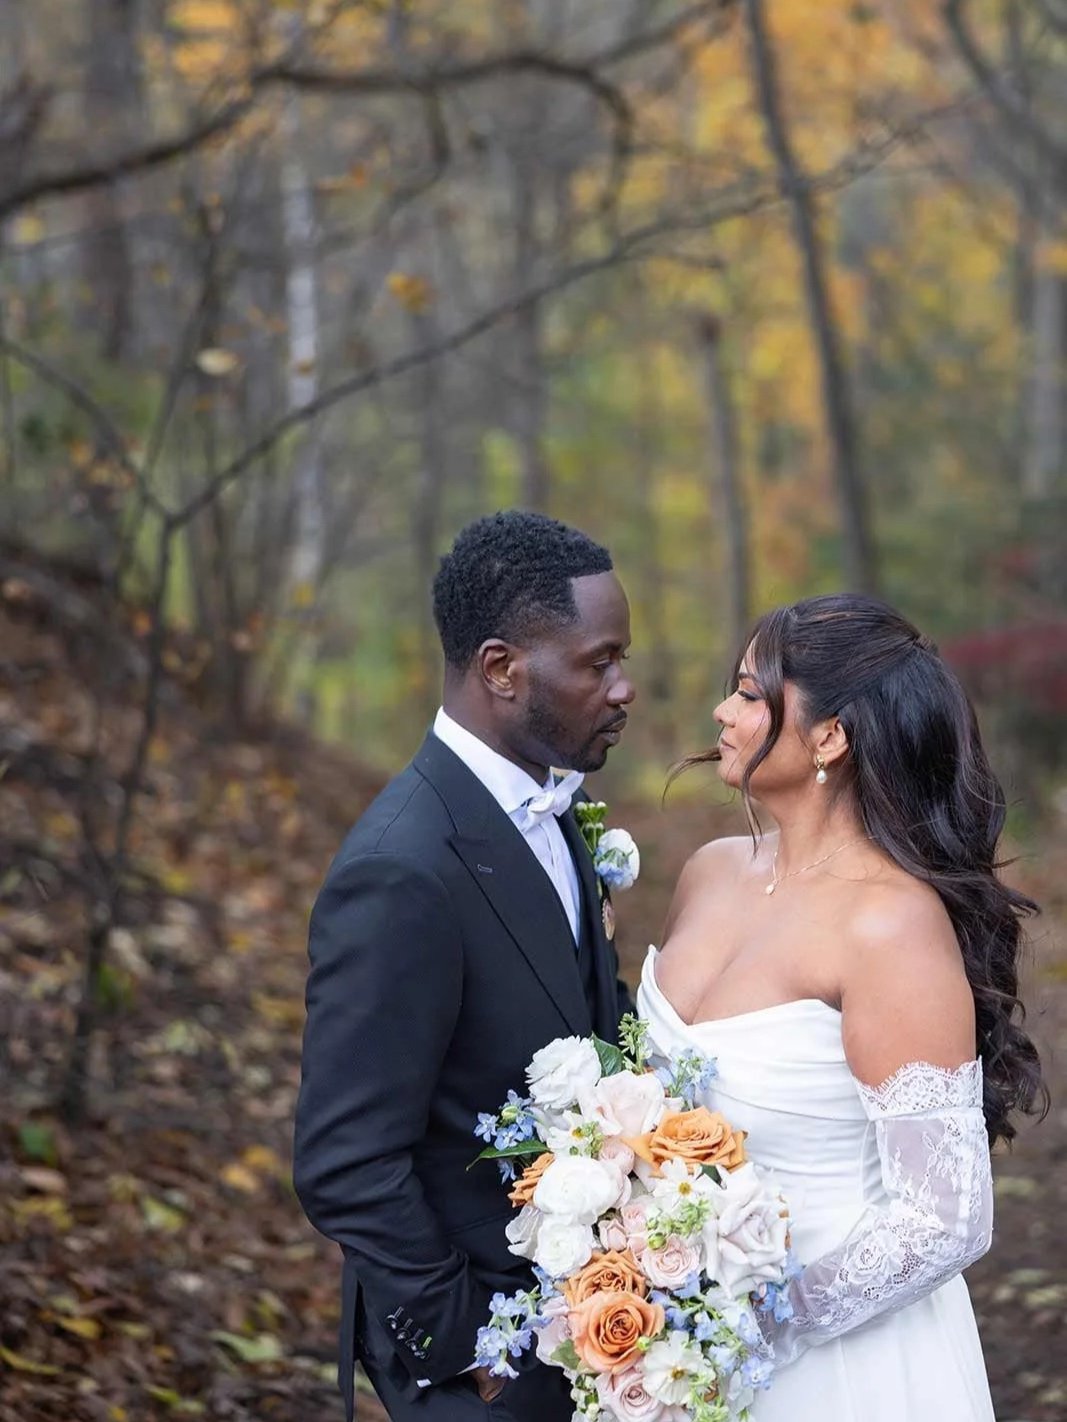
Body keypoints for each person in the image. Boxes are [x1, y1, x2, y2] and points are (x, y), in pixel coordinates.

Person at [639, 593, 1046, 1422]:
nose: (722, 711)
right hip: (663, 1345)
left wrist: (745, 1329)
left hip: (836, 1366)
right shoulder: (709, 873)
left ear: (829, 736)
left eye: (751, 694)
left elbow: (945, 1219)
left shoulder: (888, 925)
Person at [294, 510, 636, 1422]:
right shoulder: (400, 869)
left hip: (589, 1325)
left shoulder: (552, 802)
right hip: (489, 1359)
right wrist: (473, 1351)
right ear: (501, 668)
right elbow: (343, 1160)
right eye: (598, 662)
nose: (624, 688)